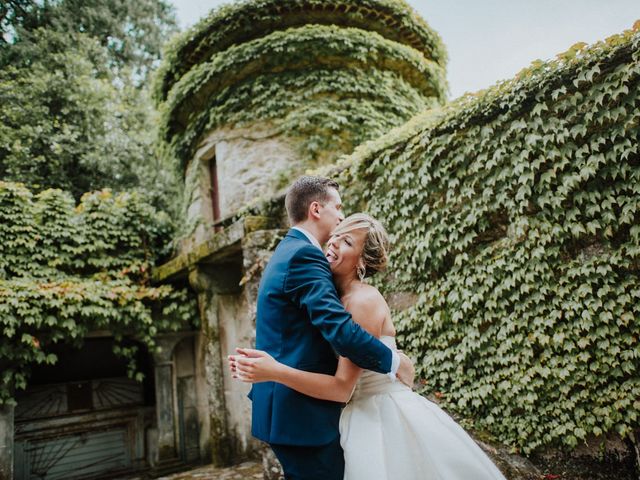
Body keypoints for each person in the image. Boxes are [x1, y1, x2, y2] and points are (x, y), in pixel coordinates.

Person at [230, 213, 507, 480]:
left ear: (362, 262)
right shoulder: (333, 298)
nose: (334, 242)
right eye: (336, 235)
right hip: (354, 416)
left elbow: (341, 388)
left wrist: (275, 371)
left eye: (347, 242)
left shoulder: (361, 302)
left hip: (379, 418)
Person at [241, 176, 415, 480]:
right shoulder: (304, 255)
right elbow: (340, 331)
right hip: (301, 415)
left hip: (302, 411)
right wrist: (395, 361)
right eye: (339, 208)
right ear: (317, 209)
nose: (341, 218)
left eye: (347, 239)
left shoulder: (292, 251)